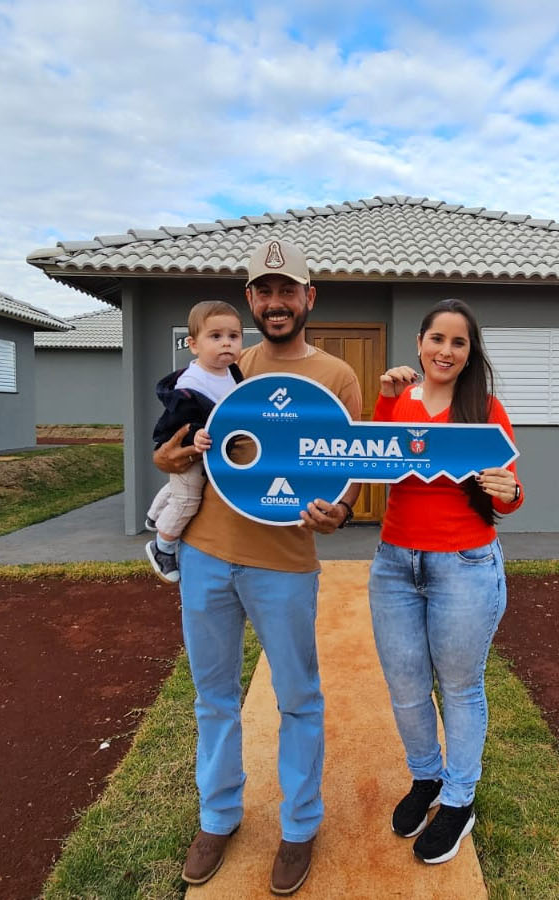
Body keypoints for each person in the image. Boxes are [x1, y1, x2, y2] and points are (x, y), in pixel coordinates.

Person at [153, 239, 361, 895]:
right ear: (251, 301)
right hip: (207, 555)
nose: (276, 302)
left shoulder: (336, 375)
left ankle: (299, 828)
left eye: (287, 290)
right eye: (263, 292)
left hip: (285, 564)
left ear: (309, 298)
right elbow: (176, 448)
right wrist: (172, 457)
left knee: (299, 700)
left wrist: (343, 508)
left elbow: (348, 465)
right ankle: (218, 817)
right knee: (213, 699)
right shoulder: (224, 364)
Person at [369, 298, 523, 865]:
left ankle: (459, 799)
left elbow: (509, 489)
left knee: (459, 687)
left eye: (459, 343)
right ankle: (426, 778)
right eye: (437, 339)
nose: (446, 351)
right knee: (406, 687)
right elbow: (376, 459)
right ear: (419, 342)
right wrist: (386, 396)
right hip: (394, 563)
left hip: (464, 563)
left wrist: (510, 492)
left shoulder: (484, 408)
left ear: (469, 352)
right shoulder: (399, 398)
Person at [143, 300, 244, 583]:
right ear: (193, 344)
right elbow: (176, 422)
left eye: (233, 336)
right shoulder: (192, 382)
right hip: (191, 449)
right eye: (215, 336)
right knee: (187, 499)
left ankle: (154, 517)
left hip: (211, 450)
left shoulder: (232, 373)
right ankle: (161, 546)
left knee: (180, 488)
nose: (226, 344)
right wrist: (194, 434)